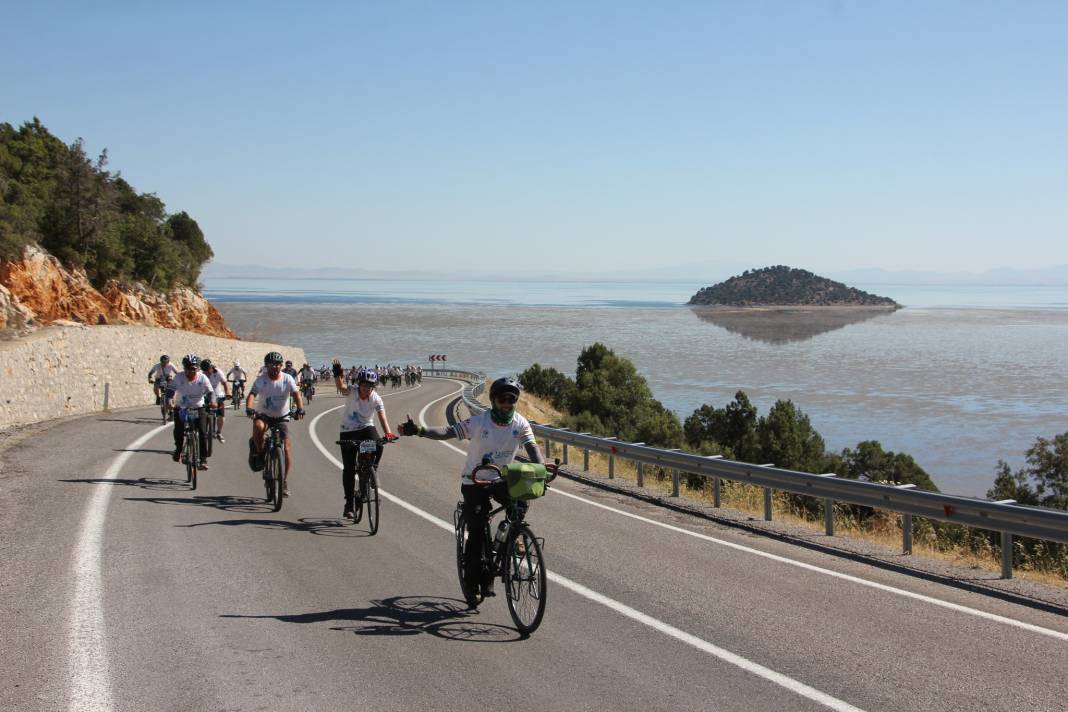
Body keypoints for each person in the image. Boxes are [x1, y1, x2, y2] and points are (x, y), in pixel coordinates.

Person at [400, 376, 544, 604]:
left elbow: (533, 449)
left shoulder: (520, 423)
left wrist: (541, 470)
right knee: (477, 533)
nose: (507, 404)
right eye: (502, 399)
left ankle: (512, 536)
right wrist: (419, 430)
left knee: (521, 501)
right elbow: (447, 431)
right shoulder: (479, 422)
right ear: (494, 400)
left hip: (502, 478)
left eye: (511, 400)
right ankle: (472, 583)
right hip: (474, 481)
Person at [332, 359, 397, 519]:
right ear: (359, 384)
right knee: (349, 469)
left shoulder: (376, 398)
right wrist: (337, 374)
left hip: (366, 428)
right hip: (347, 431)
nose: (367, 389)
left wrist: (388, 433)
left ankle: (372, 469)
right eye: (364, 385)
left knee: (379, 444)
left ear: (374, 387)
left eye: (370, 386)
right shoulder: (352, 391)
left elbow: (382, 417)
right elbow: (341, 387)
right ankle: (349, 503)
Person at [246, 351, 304, 496]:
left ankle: (283, 481)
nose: (275, 367)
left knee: (286, 449)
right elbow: (252, 394)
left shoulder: (287, 378)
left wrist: (300, 409)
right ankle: (260, 452)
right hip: (264, 415)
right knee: (258, 427)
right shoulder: (262, 379)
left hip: (281, 417)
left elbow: (296, 394)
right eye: (272, 364)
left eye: (278, 364)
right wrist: (249, 408)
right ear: (266, 366)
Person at [169, 354, 215, 470]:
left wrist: (213, 401)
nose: (191, 371)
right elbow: (170, 390)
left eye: (194, 368)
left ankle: (203, 459)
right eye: (189, 368)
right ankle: (179, 449)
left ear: (198, 368)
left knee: (203, 432)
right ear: (184, 368)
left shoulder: (202, 378)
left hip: (198, 407)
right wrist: (169, 401)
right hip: (182, 408)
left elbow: (210, 392)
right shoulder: (179, 377)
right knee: (179, 429)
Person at [200, 358, 230, 443]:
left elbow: (224, 383)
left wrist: (227, 392)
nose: (206, 372)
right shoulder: (202, 374)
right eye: (204, 370)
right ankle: (203, 430)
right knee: (202, 411)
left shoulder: (218, 372)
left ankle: (219, 432)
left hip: (218, 394)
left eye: (207, 369)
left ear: (211, 367)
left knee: (221, 414)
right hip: (206, 394)